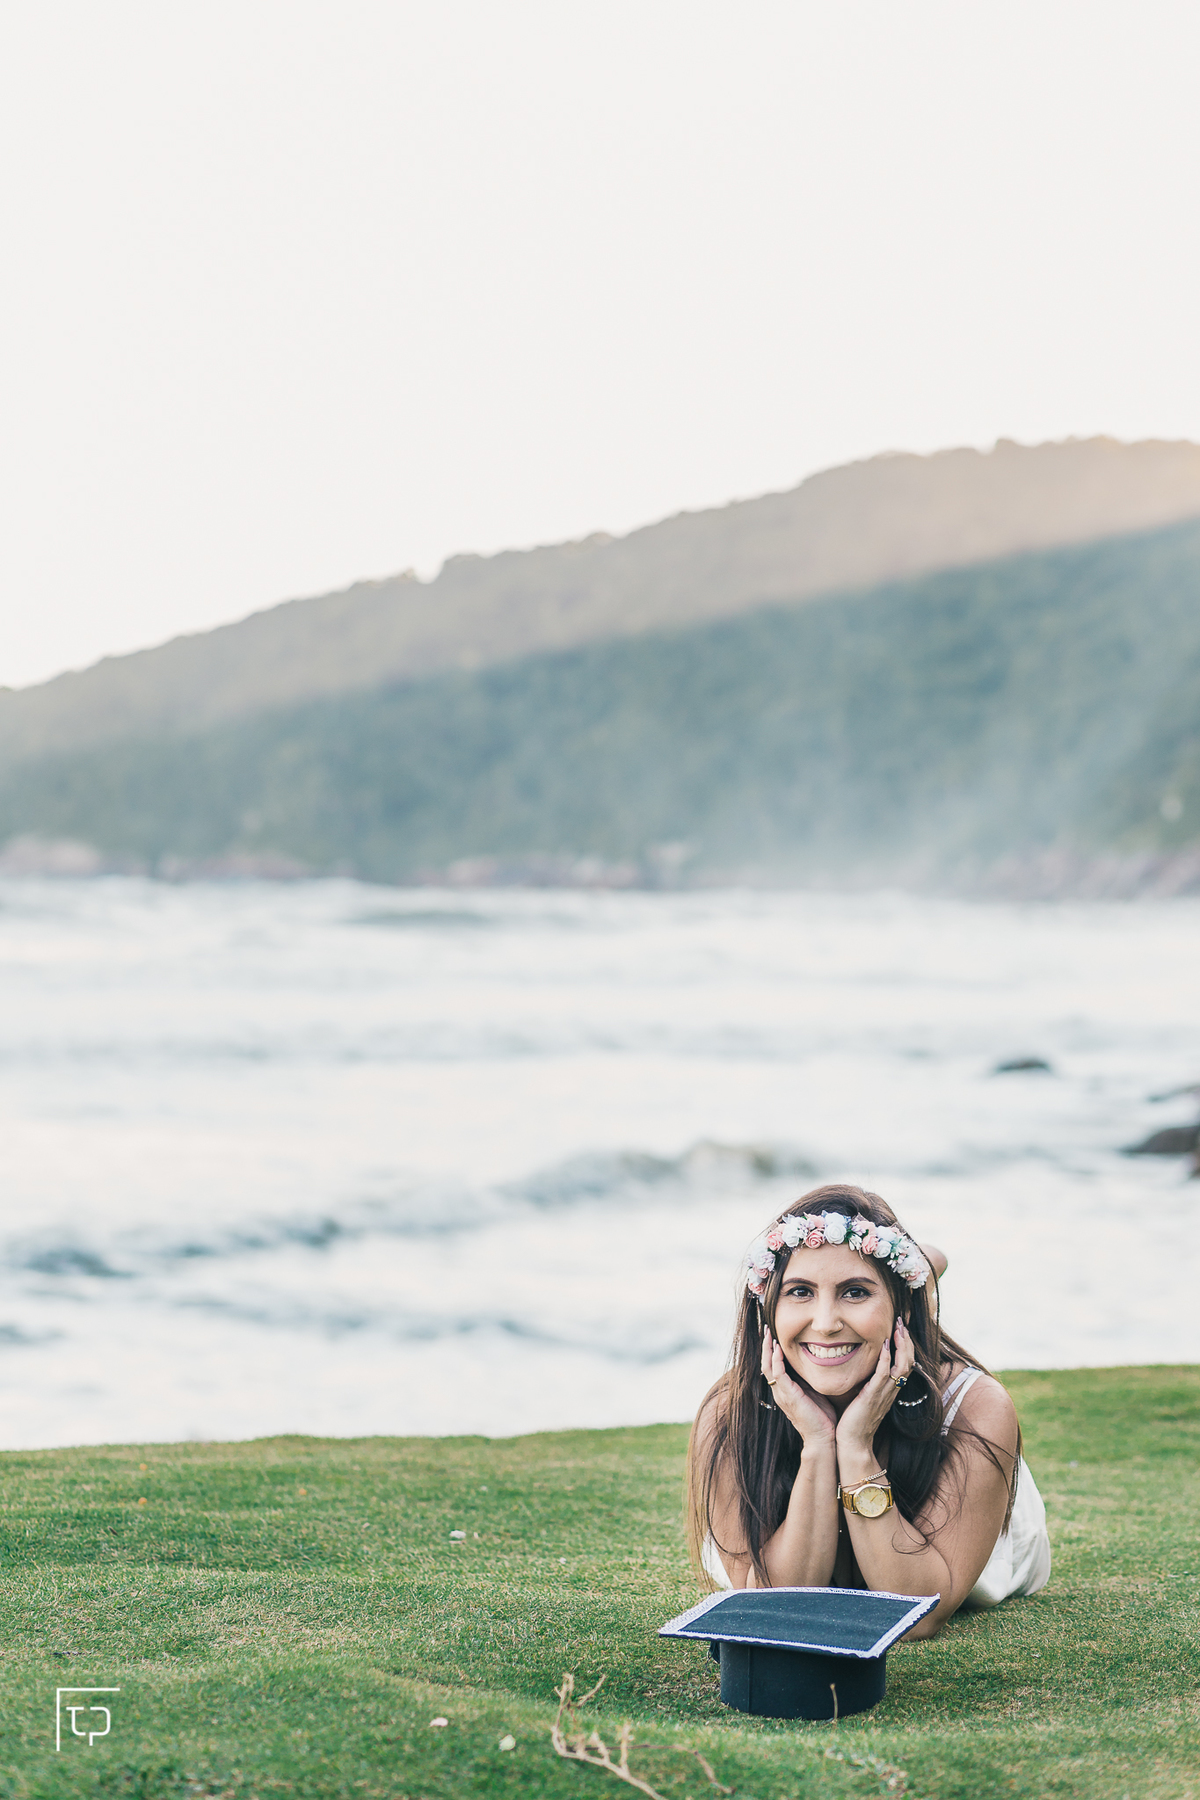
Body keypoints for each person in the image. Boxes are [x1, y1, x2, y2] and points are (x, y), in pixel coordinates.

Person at [686, 1183, 1050, 1635]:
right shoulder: (729, 1412)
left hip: (961, 1536)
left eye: (855, 1292)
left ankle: (915, 1276)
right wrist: (819, 1445)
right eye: (799, 1291)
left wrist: (855, 1446)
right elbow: (778, 1604)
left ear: (902, 1312)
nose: (825, 1322)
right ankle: (912, 1270)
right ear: (767, 1311)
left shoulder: (977, 1407)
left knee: (889, 1302)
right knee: (865, 1305)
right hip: (891, 1316)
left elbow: (916, 1614)